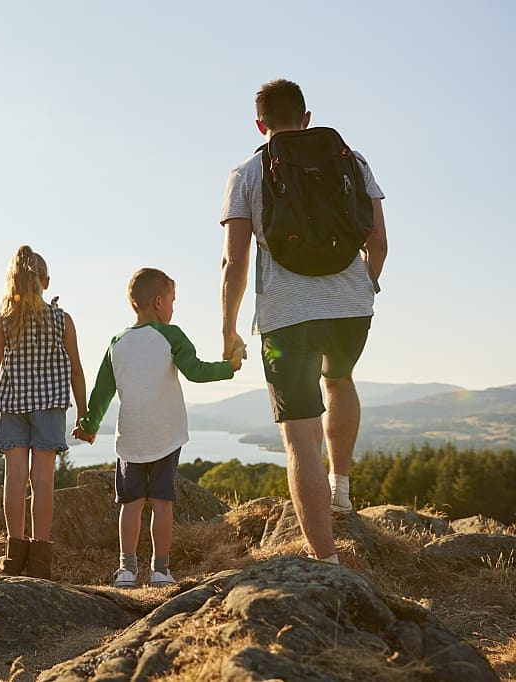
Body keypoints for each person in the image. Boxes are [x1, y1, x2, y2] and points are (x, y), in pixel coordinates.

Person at [219, 79, 388, 563]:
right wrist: (365, 285)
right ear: (307, 117)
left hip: (286, 316)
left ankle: (326, 562)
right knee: (339, 379)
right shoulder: (352, 162)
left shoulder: (247, 172)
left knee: (298, 436)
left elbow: (235, 262)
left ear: (260, 124)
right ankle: (341, 487)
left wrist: (229, 327)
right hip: (352, 308)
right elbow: (377, 242)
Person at [74, 268, 241, 587]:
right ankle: (161, 570)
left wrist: (89, 426)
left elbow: (102, 392)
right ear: (159, 301)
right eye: (173, 301)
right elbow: (196, 371)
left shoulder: (116, 343)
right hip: (166, 435)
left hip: (131, 439)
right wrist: (229, 368)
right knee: (163, 503)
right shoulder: (171, 334)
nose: (173, 308)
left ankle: (126, 570)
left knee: (131, 505)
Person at [0, 246, 87, 580]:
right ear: (45, 281)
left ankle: (14, 555)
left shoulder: (3, 320)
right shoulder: (62, 320)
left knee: (14, 481)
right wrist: (84, 414)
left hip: (12, 404)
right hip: (50, 406)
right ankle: (41, 559)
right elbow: (75, 370)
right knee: (42, 483)